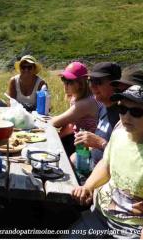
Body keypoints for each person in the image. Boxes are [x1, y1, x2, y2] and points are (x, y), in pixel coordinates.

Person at [70, 85, 143, 239]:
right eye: (123, 109)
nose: (126, 117)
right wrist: (88, 187)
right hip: (100, 214)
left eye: (136, 112)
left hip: (129, 230)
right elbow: (106, 164)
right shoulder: (119, 134)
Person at [74, 62, 121, 168]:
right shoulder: (103, 107)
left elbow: (125, 157)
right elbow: (95, 144)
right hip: (89, 165)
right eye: (91, 81)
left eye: (98, 82)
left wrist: (100, 143)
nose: (92, 86)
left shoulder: (125, 114)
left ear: (115, 84)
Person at [51, 62, 99, 156]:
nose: (65, 84)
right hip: (78, 138)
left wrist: (57, 137)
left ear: (80, 84)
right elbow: (70, 124)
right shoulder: (76, 97)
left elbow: (55, 123)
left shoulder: (85, 103)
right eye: (63, 79)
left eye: (69, 81)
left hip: (88, 147)